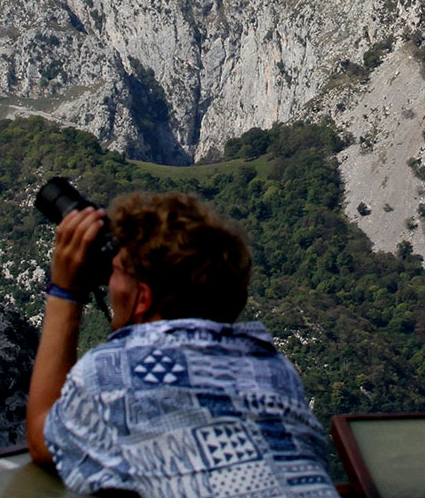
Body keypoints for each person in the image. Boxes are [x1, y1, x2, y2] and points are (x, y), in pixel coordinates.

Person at [25, 190, 339, 497]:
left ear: (143, 298)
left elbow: (42, 440)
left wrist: (65, 291)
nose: (109, 282)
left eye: (117, 271)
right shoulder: (273, 367)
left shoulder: (112, 375)